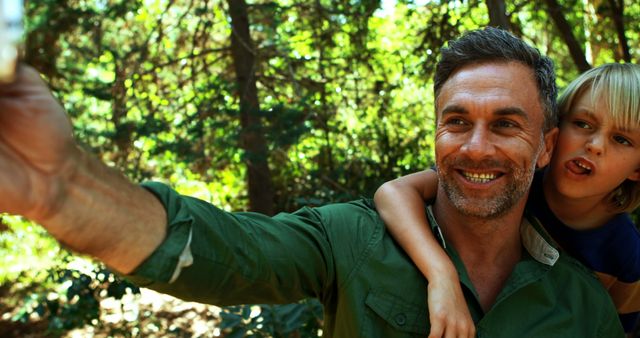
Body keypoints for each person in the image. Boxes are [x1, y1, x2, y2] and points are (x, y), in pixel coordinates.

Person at [0, 27, 624, 337]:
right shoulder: (350, 239)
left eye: (506, 125)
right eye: (456, 121)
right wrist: (63, 186)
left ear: (545, 147)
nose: (475, 146)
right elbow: (226, 252)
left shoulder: (583, 304)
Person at [375, 62, 640, 337]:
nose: (595, 145)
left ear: (637, 169)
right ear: (553, 132)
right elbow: (394, 193)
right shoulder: (513, 176)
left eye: (621, 139)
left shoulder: (627, 259)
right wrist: (442, 274)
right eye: (582, 124)